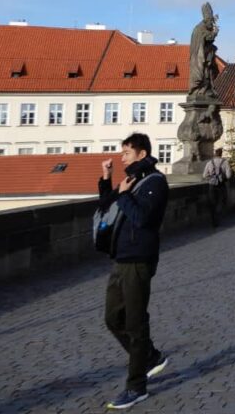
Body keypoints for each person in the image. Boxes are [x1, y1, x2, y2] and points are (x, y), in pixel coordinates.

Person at [98, 133, 169, 410]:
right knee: (113, 318)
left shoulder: (155, 182)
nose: (122, 157)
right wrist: (107, 178)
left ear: (141, 154)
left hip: (139, 259)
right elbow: (107, 206)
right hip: (121, 257)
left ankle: (136, 386)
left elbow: (143, 219)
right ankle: (150, 357)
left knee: (136, 323)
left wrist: (126, 195)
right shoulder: (132, 180)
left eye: (126, 152)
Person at [201, 153, 232, 227]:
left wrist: (211, 177)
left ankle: (213, 220)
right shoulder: (225, 162)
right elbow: (228, 176)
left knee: (212, 203)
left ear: (214, 155)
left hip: (212, 185)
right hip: (221, 185)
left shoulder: (209, 162)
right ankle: (218, 217)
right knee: (222, 201)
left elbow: (204, 175)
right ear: (221, 154)